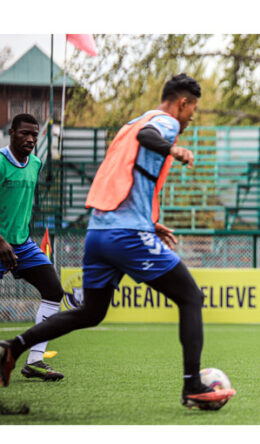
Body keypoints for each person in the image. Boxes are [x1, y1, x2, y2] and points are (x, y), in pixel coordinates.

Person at [0, 74, 235, 409]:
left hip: (98, 233)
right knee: (191, 298)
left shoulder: (129, 124)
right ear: (182, 103)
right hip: (126, 236)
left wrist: (151, 223)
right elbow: (149, 136)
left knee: (91, 312)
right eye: (192, 109)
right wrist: (174, 149)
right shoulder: (163, 122)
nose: (191, 117)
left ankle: (14, 346)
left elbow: (125, 176)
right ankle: (192, 386)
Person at [0, 113, 64, 382]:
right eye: (24, 133)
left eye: (34, 135)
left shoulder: (36, 163)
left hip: (22, 244)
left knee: (54, 291)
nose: (30, 139)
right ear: (11, 132)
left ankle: (35, 360)